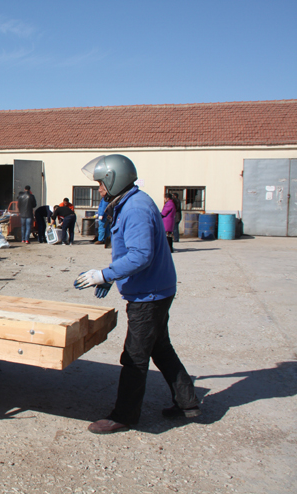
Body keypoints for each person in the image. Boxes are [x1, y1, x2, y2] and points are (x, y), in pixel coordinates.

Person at [74, 154, 200, 434]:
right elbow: (132, 252)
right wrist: (113, 275)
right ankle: (187, 402)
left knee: (134, 357)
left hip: (149, 295)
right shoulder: (132, 201)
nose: (99, 190)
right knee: (161, 349)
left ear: (114, 180)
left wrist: (104, 274)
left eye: (101, 184)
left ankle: (124, 415)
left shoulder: (134, 208)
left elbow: (141, 255)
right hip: (155, 288)